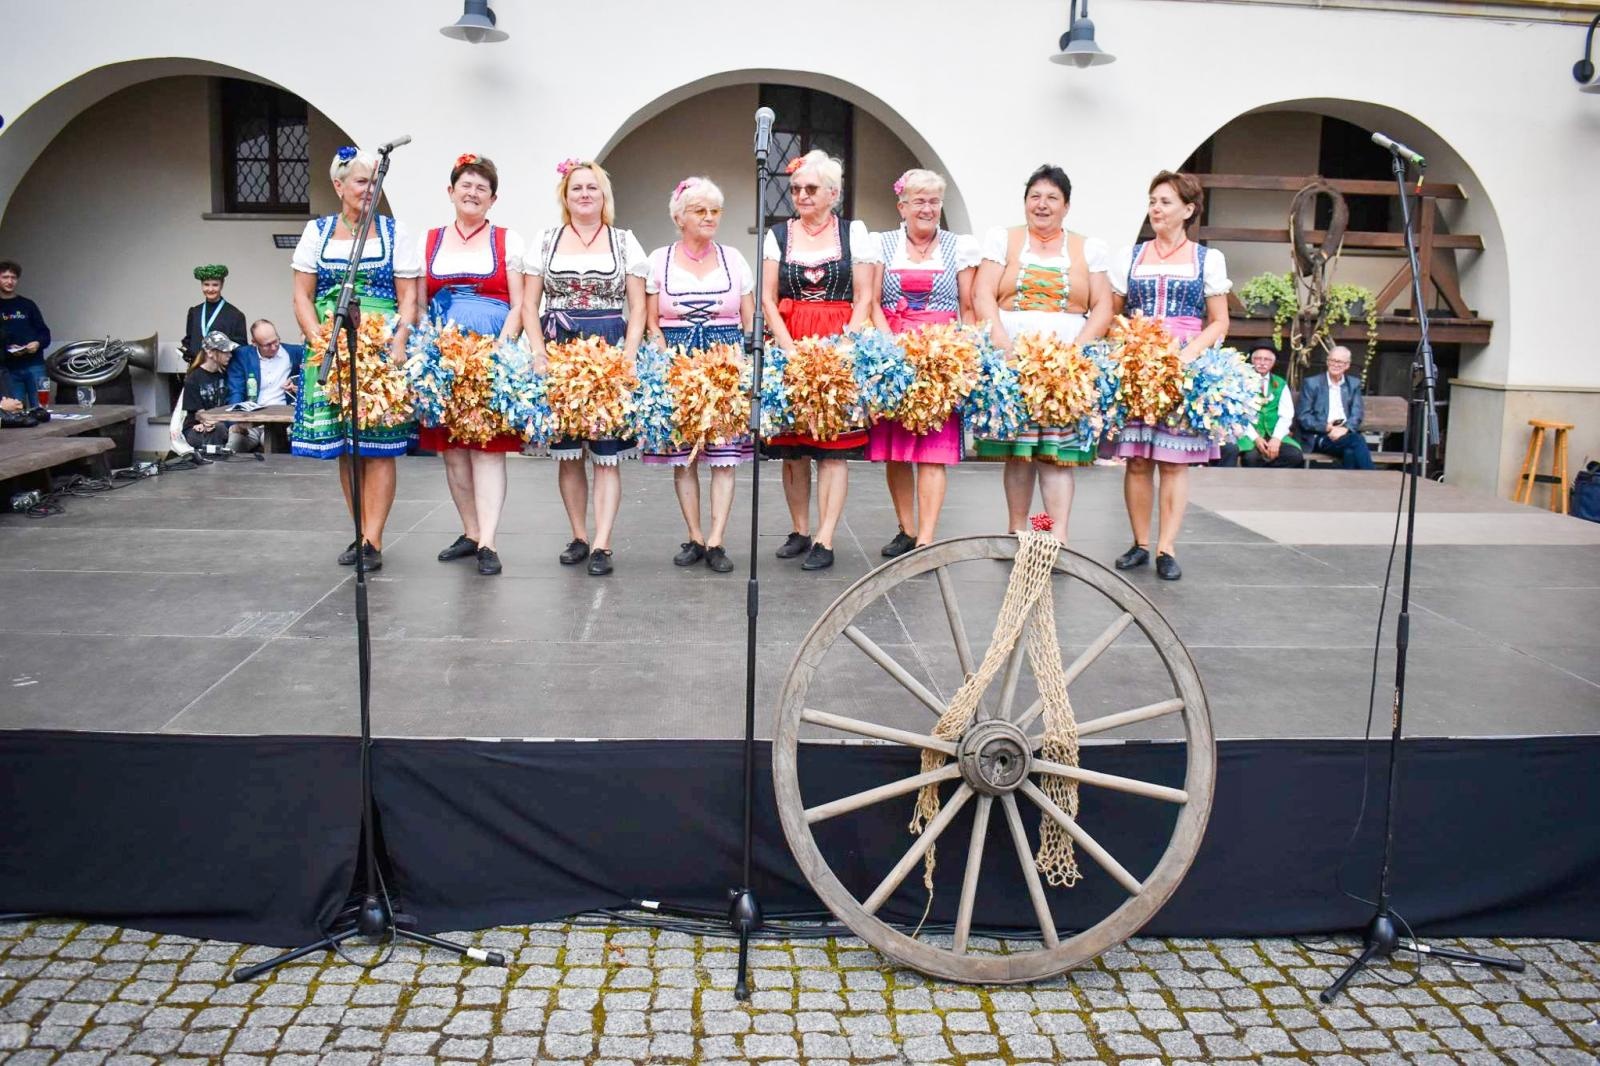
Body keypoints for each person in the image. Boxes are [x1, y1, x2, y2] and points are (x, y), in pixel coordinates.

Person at [289, 147, 421, 573]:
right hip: (330, 343)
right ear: (339, 186)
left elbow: (409, 299)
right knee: (347, 447)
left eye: (374, 182)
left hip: (380, 347)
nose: (369, 190)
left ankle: (373, 538)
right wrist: (316, 338)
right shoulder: (318, 231)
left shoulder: (394, 232)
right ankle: (360, 528)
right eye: (361, 181)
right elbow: (301, 296)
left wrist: (399, 342)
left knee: (378, 449)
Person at [972, 165, 1113, 544]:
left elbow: (1103, 306)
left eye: (1052, 197)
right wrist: (1003, 343)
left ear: (1066, 206)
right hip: (1013, 357)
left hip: (1065, 362)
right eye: (1034, 196)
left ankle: (1056, 535)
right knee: (1020, 452)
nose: (1042, 204)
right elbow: (982, 293)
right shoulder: (1004, 240)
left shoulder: (1088, 248)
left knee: (1054, 453)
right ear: (1024, 203)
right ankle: (1018, 529)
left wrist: (1076, 351)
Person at [521, 159, 648, 577]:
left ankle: (602, 542)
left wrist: (628, 355)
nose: (585, 195)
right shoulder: (546, 240)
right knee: (569, 453)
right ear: (565, 195)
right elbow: (528, 304)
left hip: (609, 345)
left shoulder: (625, 241)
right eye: (577, 188)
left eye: (592, 188)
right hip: (560, 346)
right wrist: (539, 352)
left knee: (606, 454)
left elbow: (638, 305)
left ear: (604, 195)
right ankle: (578, 534)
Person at [1105, 171, 1233, 582]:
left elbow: (1218, 322)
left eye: (1165, 202)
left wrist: (1187, 355)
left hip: (1182, 366)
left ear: (1188, 210)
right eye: (1153, 201)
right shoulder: (1131, 256)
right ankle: (1141, 543)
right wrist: (1127, 347)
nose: (1156, 209)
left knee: (1174, 463)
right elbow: (1112, 313)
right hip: (1138, 363)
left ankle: (1167, 547)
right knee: (1138, 460)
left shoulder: (1206, 259)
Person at [760, 149, 879, 572]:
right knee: (793, 448)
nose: (801, 195)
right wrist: (788, 348)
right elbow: (768, 299)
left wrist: (847, 345)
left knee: (832, 448)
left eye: (811, 189)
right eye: (795, 189)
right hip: (790, 342)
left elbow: (864, 295)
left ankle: (826, 537)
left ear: (832, 193)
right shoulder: (779, 235)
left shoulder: (853, 232)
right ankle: (800, 528)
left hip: (837, 343)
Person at [643, 176, 755, 574]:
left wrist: (742, 365)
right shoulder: (658, 260)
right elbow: (651, 321)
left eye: (714, 211)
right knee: (684, 457)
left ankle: (717, 540)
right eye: (700, 210)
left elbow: (748, 319)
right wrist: (662, 353)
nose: (709, 217)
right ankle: (693, 535)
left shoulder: (734, 258)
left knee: (723, 458)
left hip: (724, 357)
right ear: (679, 217)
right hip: (678, 359)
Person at [422, 153, 526, 577]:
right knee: (452, 452)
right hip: (443, 359)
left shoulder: (507, 240)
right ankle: (469, 530)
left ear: (493, 198)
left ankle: (489, 540)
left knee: (487, 451)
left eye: (481, 188)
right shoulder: (429, 240)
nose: (472, 192)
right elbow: (416, 301)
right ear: (451, 192)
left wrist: (501, 348)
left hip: (490, 355)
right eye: (465, 185)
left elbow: (520, 303)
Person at [866, 169, 980, 554]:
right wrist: (889, 349)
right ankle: (907, 528)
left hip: (941, 354)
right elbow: (874, 303)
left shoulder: (958, 247)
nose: (927, 208)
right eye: (919, 201)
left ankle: (928, 536)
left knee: (933, 450)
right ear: (902, 206)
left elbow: (967, 306)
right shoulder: (882, 244)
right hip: (895, 353)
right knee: (897, 450)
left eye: (934, 201)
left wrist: (962, 353)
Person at [224, 319, 304, 452]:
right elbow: (236, 391)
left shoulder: (295, 353)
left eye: (276, 341)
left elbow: (314, 372)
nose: (274, 347)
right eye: (267, 345)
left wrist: (299, 384)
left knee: (273, 447)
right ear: (254, 343)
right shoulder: (242, 356)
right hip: (250, 421)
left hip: (281, 422)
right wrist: (235, 422)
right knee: (233, 448)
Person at [1219, 343, 1302, 468]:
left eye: (1267, 359)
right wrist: (1256, 438)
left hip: (1273, 434)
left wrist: (1276, 438)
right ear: (1251, 361)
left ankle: (1271, 482)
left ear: (1273, 363)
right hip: (1249, 435)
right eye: (1258, 359)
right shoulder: (1240, 382)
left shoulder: (1280, 383)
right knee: (1251, 458)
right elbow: (1238, 415)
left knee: (1294, 456)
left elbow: (1286, 415)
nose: (1262, 363)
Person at [1297, 345, 1376, 469]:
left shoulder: (1353, 384)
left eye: (1340, 362)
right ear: (1328, 362)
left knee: (1350, 452)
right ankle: (1373, 480)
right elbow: (1303, 417)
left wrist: (1346, 429)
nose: (1335, 364)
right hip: (1321, 436)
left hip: (1345, 435)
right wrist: (1326, 427)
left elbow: (1357, 413)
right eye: (1332, 360)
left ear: (1347, 365)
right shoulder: (1312, 383)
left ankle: (1349, 487)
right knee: (1357, 440)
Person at [0, 259, 51, 407]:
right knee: (16, 412)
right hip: (9, 370)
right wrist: (8, 350)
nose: (10, 281)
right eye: (5, 277)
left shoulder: (28, 305)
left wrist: (37, 343)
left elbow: (45, 333)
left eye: (13, 278)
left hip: (35, 365)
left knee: (41, 408)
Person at [181, 331, 237, 450]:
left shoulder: (225, 374)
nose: (230, 355)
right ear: (210, 352)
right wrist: (206, 423)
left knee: (222, 429)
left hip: (219, 424)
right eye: (225, 351)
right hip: (195, 428)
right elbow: (198, 413)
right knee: (218, 430)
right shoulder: (193, 378)